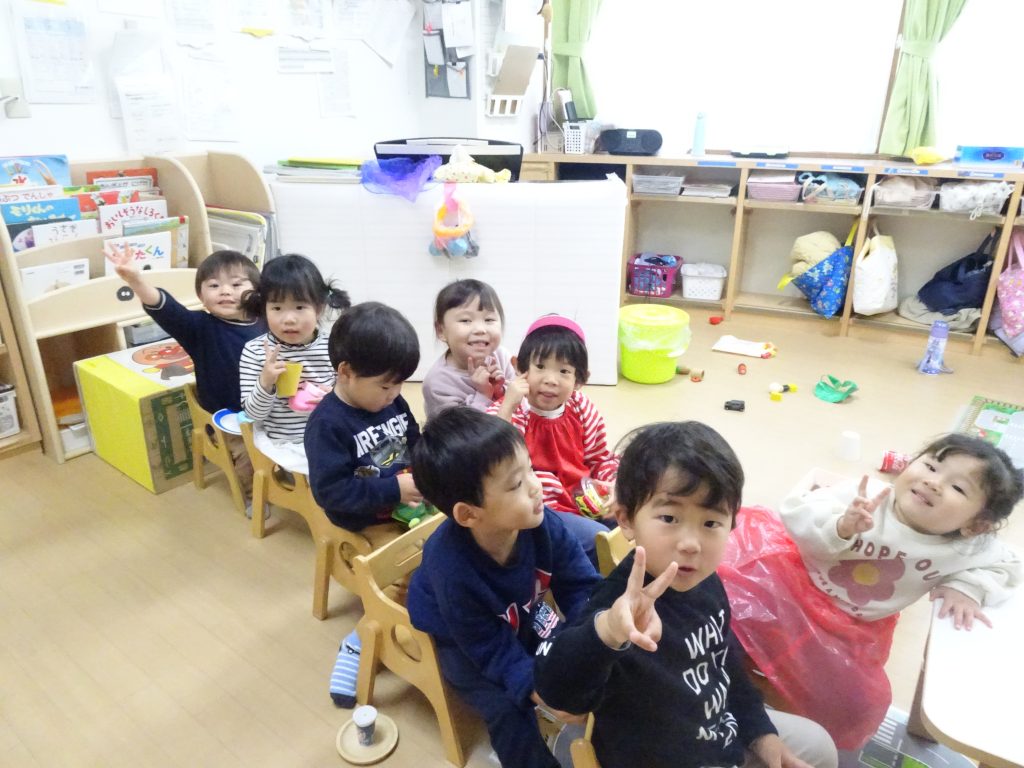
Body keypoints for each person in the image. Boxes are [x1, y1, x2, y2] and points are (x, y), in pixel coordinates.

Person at [533, 421, 839, 768]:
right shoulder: (619, 608)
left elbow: (724, 665)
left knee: (820, 746)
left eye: (711, 523)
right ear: (626, 520)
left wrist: (761, 734)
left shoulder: (705, 582)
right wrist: (608, 632)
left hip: (719, 735)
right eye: (669, 518)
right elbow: (559, 692)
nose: (691, 544)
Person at [720, 432, 1023, 749]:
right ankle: (723, 687)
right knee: (728, 621)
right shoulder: (867, 497)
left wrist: (967, 587)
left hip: (852, 626)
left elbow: (1008, 564)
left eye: (958, 487)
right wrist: (842, 526)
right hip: (787, 582)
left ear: (976, 526)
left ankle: (788, 723)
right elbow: (797, 512)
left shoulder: (967, 546)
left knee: (859, 705)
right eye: (932, 466)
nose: (934, 482)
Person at [407, 407, 601, 768]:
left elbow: (580, 585)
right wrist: (538, 691)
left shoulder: (542, 524)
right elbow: (490, 650)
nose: (536, 485)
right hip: (462, 640)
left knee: (572, 648)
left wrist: (594, 636)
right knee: (505, 707)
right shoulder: (452, 570)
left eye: (530, 469)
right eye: (516, 484)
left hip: (521, 611)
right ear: (469, 514)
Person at [305, 301, 424, 709]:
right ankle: (361, 641)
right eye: (385, 386)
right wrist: (393, 490)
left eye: (400, 385)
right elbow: (331, 493)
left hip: (406, 503)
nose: (395, 395)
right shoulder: (327, 425)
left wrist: (430, 469)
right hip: (364, 520)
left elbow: (414, 440)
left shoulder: (391, 403)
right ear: (346, 372)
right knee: (406, 568)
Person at [105, 243, 264, 498]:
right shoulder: (199, 327)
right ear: (201, 296)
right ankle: (252, 497)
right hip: (230, 419)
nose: (225, 291)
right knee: (249, 458)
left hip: (268, 410)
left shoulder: (266, 321)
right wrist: (135, 280)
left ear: (255, 291)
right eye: (214, 285)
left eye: (236, 284)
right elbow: (167, 310)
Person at [238, 254, 349, 453]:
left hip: (330, 435)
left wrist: (334, 397)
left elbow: (351, 396)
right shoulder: (255, 351)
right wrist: (266, 382)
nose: (289, 319)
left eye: (299, 307)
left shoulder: (334, 345)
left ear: (319, 308)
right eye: (277, 308)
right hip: (284, 444)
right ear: (264, 309)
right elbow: (253, 415)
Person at [422, 279, 516, 420]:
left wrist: (500, 390)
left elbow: (521, 403)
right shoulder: (438, 383)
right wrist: (484, 394)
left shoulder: (501, 356)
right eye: (465, 320)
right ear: (441, 331)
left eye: (489, 320)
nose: (480, 329)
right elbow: (461, 429)